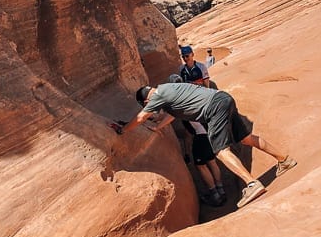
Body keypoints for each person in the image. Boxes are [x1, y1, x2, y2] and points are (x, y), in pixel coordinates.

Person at [118, 83, 298, 208]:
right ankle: (285, 160)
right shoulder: (169, 89)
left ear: (145, 102)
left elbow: (141, 117)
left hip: (213, 108)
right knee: (246, 138)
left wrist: (124, 130)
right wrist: (157, 126)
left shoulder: (157, 96)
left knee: (220, 150)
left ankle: (252, 184)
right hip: (223, 98)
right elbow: (173, 115)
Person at [168, 73, 226, 206]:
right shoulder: (191, 91)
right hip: (210, 132)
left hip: (201, 136)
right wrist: (187, 152)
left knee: (201, 166)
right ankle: (221, 190)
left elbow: (170, 116)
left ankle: (215, 195)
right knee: (212, 162)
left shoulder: (179, 99)